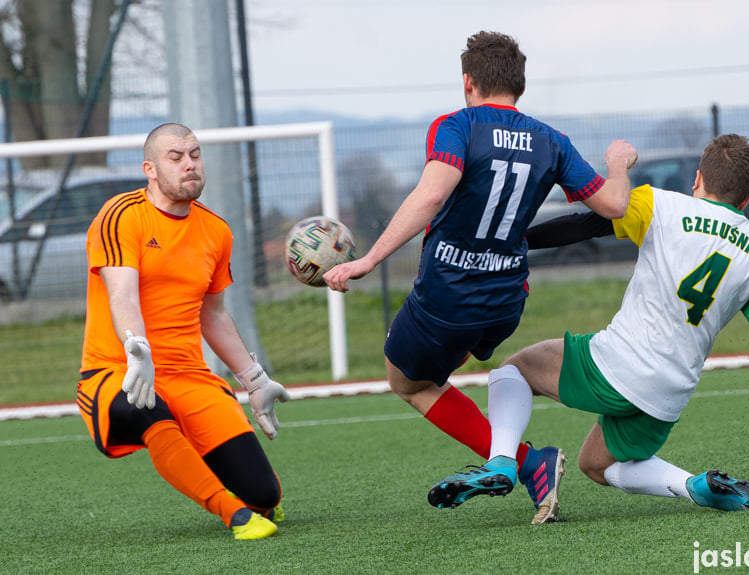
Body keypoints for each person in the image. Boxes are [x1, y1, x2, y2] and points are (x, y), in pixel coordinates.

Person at [434, 133, 749, 516]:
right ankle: (694, 486)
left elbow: (583, 225)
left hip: (618, 365)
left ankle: (503, 461)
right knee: (595, 465)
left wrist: (517, 239)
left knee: (515, 369)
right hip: (669, 393)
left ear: (697, 178)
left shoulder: (661, 205)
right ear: (748, 198)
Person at [323, 31, 638, 523]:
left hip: (447, 298)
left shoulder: (458, 126)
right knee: (452, 363)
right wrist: (618, 164)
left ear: (468, 82)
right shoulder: (552, 140)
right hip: (508, 301)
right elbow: (614, 205)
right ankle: (517, 456)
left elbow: (430, 196)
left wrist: (368, 261)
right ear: (520, 86)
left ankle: (527, 462)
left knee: (408, 383)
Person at [76, 123, 290, 540]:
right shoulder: (121, 215)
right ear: (150, 169)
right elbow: (123, 295)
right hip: (116, 371)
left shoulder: (216, 230)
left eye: (194, 154)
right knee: (145, 408)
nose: (188, 163)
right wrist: (137, 351)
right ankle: (234, 515)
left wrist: (254, 379)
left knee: (265, 494)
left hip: (189, 376)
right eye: (175, 157)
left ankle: (251, 506)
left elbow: (213, 316)